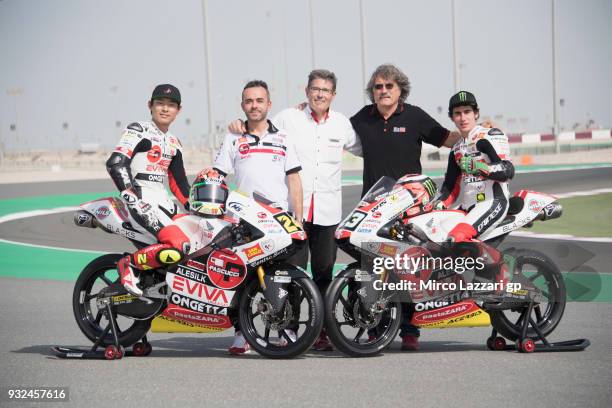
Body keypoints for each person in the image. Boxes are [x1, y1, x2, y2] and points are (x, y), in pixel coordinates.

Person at [228, 69, 362, 351]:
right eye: (315, 89)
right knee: (290, 274)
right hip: (293, 214)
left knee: (324, 274)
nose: (320, 95)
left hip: (327, 211)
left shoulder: (342, 124)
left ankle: (323, 331)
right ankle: (288, 329)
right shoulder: (288, 118)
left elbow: (365, 148)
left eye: (325, 91)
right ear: (307, 91)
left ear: (333, 95)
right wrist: (238, 125)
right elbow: (259, 126)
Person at [350, 64, 463, 351]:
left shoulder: (414, 116)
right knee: (373, 266)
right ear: (372, 92)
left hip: (408, 207)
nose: (383, 91)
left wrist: (474, 132)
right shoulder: (363, 118)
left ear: (401, 89)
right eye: (378, 86)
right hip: (372, 206)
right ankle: (375, 327)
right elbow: (330, 130)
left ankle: (410, 329)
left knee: (408, 267)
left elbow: (447, 138)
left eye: (389, 86)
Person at [213, 80, 304, 354]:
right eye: (249, 101)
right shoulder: (233, 137)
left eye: (259, 100)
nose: (254, 105)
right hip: (242, 220)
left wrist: (298, 217)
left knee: (287, 276)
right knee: (239, 277)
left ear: (268, 104)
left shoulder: (284, 138)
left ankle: (288, 330)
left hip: (278, 219)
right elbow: (218, 175)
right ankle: (241, 333)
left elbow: (294, 180)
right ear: (243, 106)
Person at [106, 84, 191, 297]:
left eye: (171, 105)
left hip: (165, 203)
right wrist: (130, 195)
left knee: (201, 240)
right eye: (160, 103)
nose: (165, 109)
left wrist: (197, 209)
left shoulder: (174, 142)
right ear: (150, 105)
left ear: (178, 111)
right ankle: (129, 265)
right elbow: (116, 162)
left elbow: (179, 184)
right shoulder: (138, 130)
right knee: (179, 244)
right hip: (141, 200)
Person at [434, 91, 514, 241]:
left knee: (457, 237)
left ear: (476, 114)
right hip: (468, 207)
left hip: (492, 203)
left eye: (467, 111)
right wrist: (438, 205)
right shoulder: (456, 148)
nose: (463, 118)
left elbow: (507, 170)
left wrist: (478, 167)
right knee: (434, 233)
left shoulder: (489, 135)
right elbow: (450, 187)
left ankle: (495, 265)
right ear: (452, 117)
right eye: (457, 113)